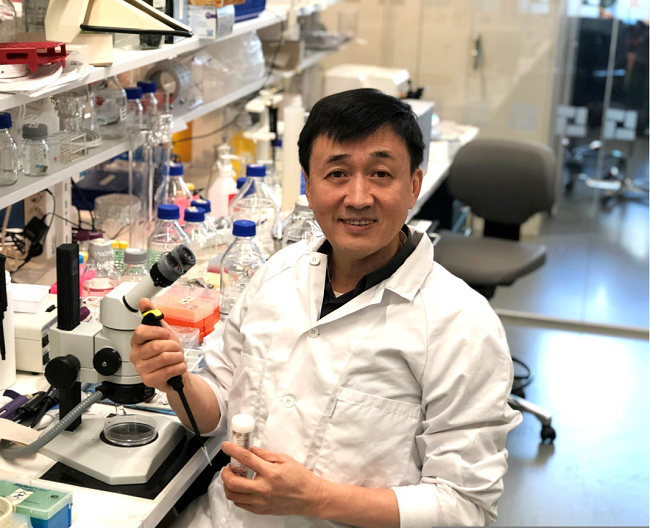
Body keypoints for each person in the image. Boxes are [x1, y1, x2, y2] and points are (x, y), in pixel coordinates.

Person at [130, 88, 522, 528]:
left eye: (380, 174)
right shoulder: (278, 273)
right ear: (308, 186)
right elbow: (217, 408)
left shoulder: (462, 324)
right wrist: (176, 380)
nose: (358, 198)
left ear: (414, 185)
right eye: (337, 174)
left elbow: (464, 507)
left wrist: (315, 499)